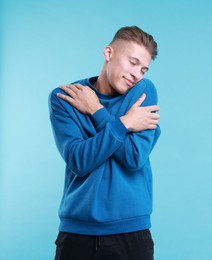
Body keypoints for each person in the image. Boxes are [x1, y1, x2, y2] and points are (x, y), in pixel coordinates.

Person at [48, 26, 161, 260]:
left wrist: (96, 111)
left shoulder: (143, 91)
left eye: (143, 69)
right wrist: (125, 124)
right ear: (108, 53)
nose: (137, 74)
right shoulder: (66, 99)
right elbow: (79, 160)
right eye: (132, 62)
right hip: (77, 231)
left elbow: (133, 158)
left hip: (132, 231)